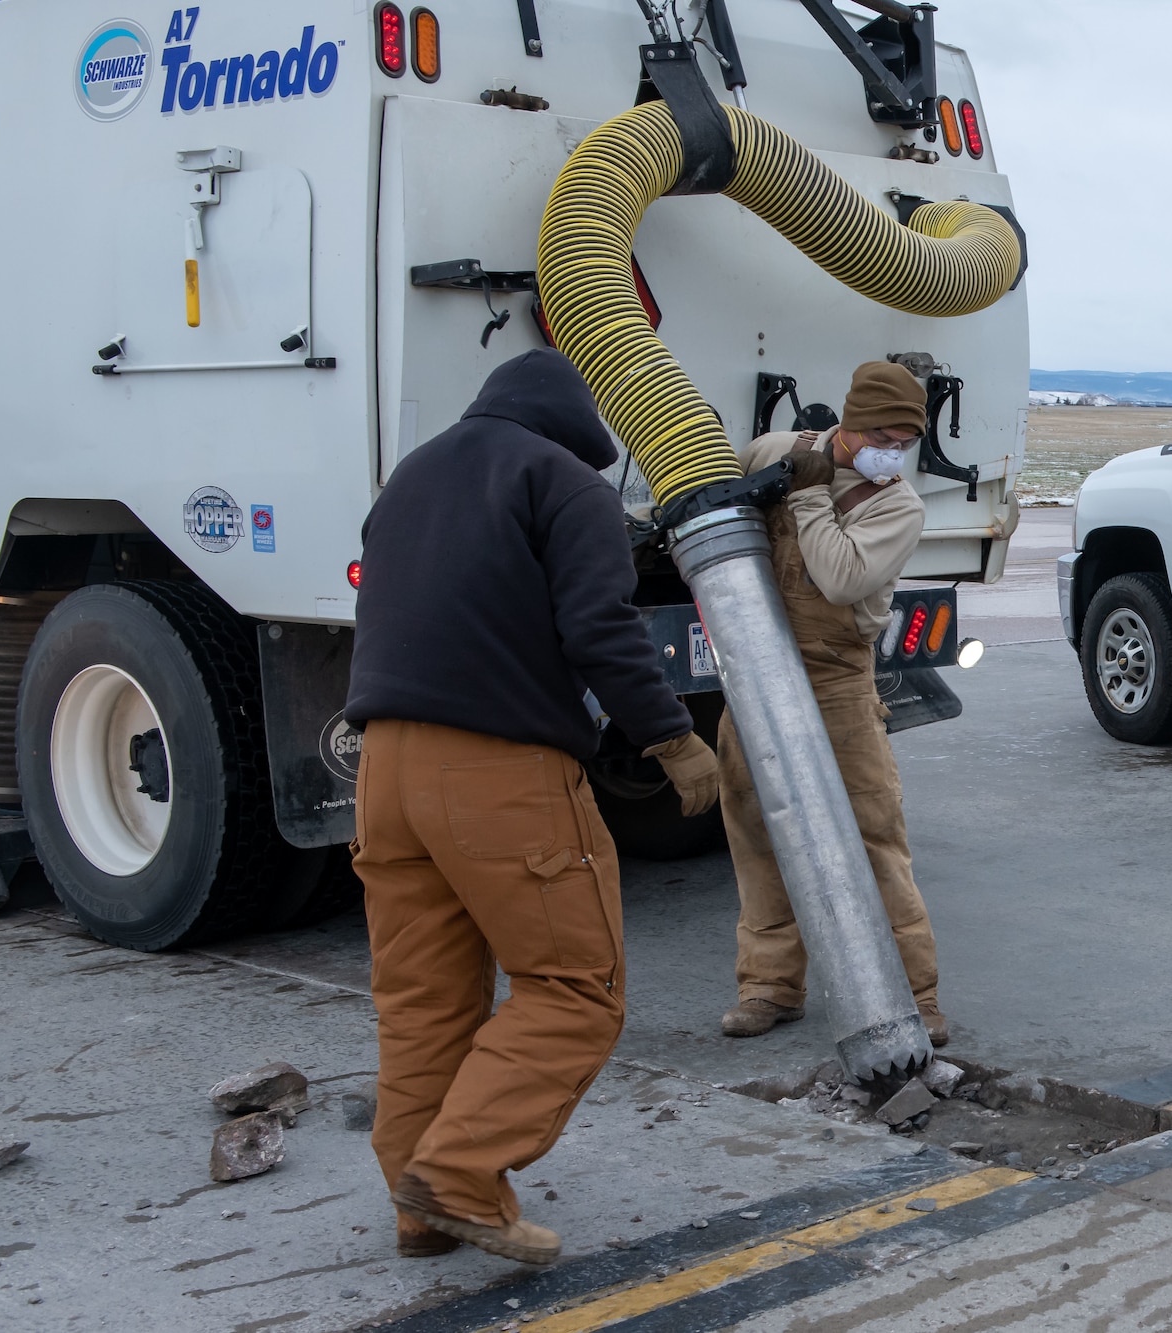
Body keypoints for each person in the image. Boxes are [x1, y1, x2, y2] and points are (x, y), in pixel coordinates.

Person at [346, 350, 718, 1265]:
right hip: (498, 772)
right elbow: (600, 626)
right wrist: (674, 738)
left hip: (383, 770)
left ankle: (420, 1206)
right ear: (580, 422)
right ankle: (461, 1174)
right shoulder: (565, 481)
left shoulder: (412, 476)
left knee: (423, 999)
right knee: (573, 990)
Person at [717, 361, 947, 1045]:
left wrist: (811, 498)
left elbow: (840, 576)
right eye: (882, 434)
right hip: (757, 672)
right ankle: (769, 986)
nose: (893, 454)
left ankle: (919, 995)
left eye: (906, 440)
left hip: (837, 681)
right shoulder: (774, 452)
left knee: (875, 837)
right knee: (758, 833)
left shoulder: (899, 505)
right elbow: (727, 502)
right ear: (847, 423)